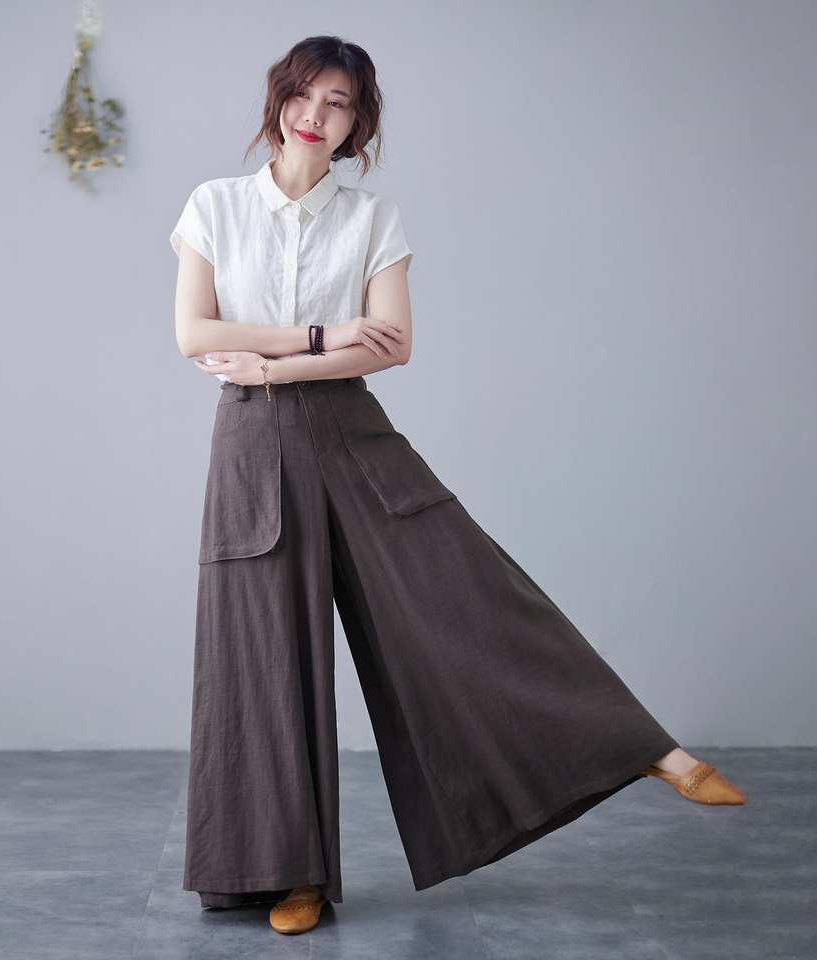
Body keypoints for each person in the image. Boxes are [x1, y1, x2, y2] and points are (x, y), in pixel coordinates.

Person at [169, 35, 746, 938]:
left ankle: (643, 748)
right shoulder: (215, 205)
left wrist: (283, 360)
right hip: (251, 445)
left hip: (349, 431)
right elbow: (196, 335)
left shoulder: (373, 219)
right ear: (279, 100)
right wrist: (327, 335)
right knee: (262, 658)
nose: (316, 116)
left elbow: (393, 345)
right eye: (304, 96)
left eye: (339, 102)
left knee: (463, 592)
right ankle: (292, 875)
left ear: (358, 122)